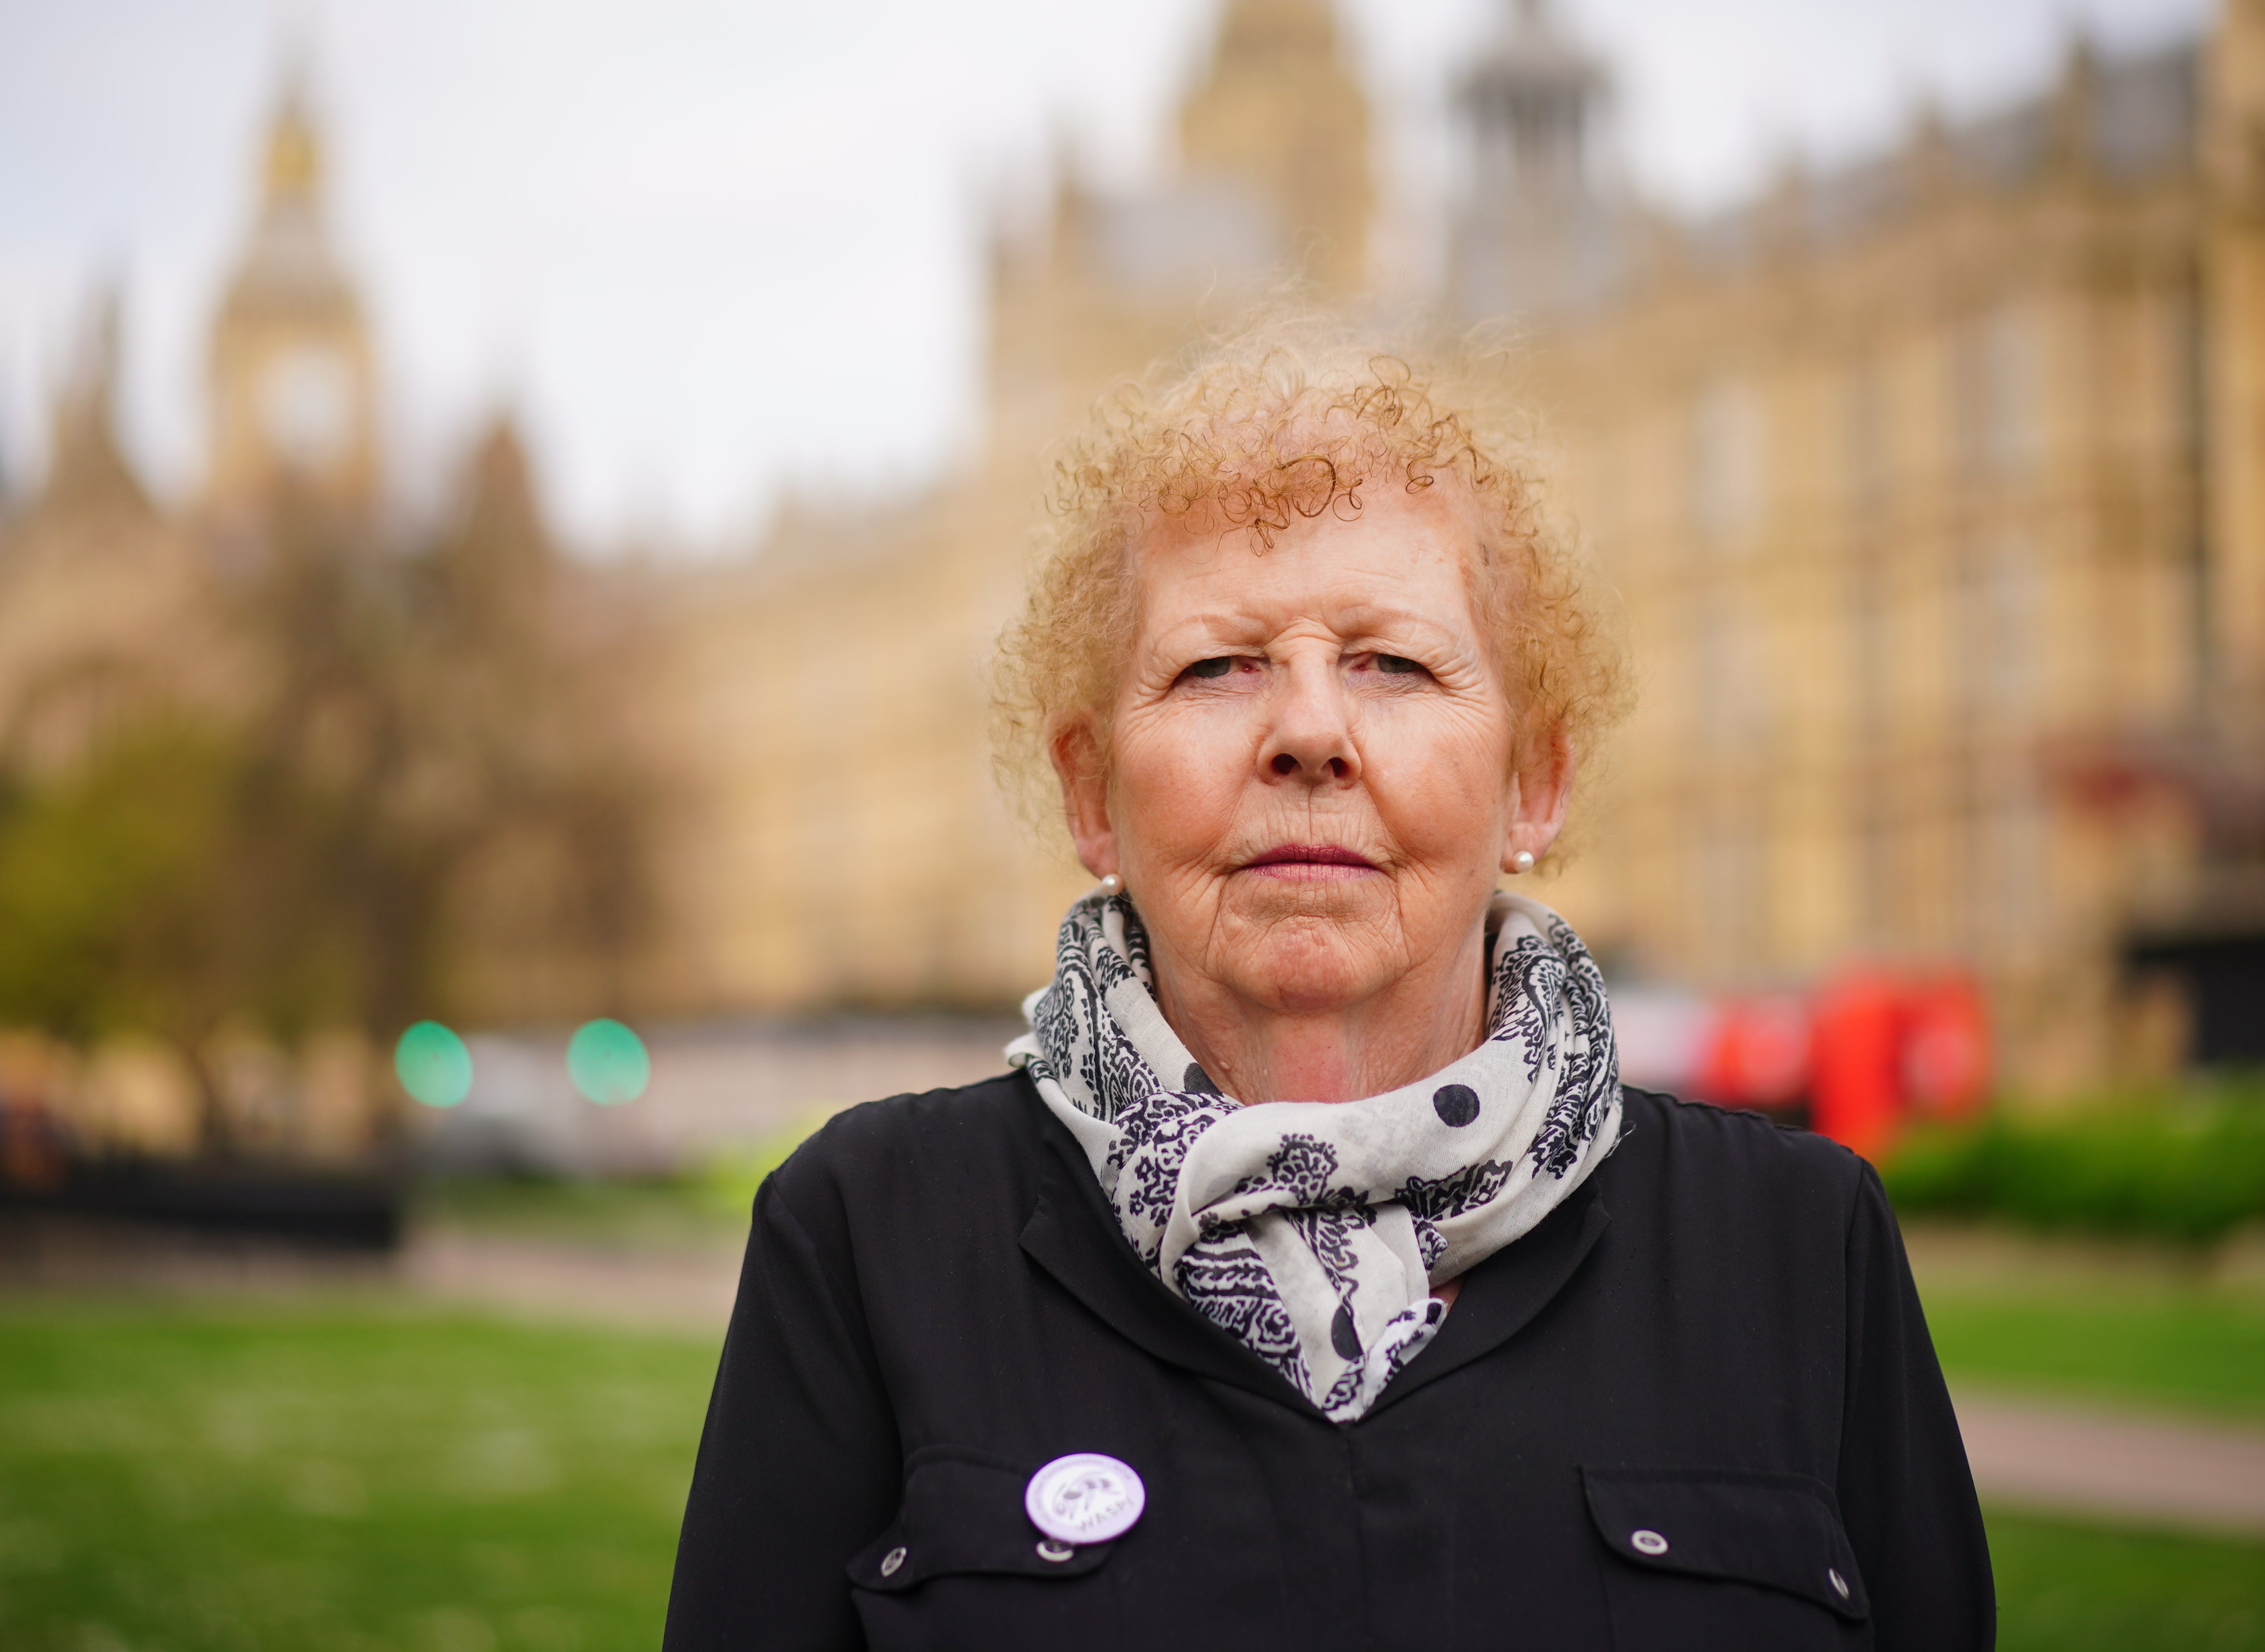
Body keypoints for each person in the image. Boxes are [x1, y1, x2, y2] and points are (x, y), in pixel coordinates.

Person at [664, 328, 1994, 1650]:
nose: (1308, 731)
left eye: (1392, 663)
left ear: (1535, 778)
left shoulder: (1794, 1250)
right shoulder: (872, 1237)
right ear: (1092, 793)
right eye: (1217, 667)